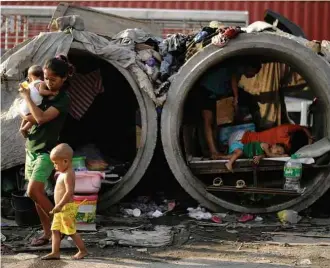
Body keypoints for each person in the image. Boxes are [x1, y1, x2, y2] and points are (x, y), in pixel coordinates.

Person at [19, 55, 71, 247]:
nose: (48, 82)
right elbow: (29, 114)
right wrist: (25, 118)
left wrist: (25, 98)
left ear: (64, 78)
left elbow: (40, 118)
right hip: (31, 148)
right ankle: (47, 233)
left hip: (46, 151)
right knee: (36, 195)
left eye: (53, 79)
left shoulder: (63, 99)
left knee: (34, 191)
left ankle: (61, 228)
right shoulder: (40, 92)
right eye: (47, 77)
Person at [200, 60, 262, 159]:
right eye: (254, 72)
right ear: (249, 67)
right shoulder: (238, 68)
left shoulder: (236, 70)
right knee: (208, 121)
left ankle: (216, 150)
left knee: (215, 123)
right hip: (207, 91)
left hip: (215, 93)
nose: (254, 75)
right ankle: (213, 151)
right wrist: (236, 98)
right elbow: (233, 81)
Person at [42, 143, 87, 260]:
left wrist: (59, 205)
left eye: (56, 163)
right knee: (55, 230)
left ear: (66, 161)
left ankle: (83, 251)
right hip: (60, 208)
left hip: (65, 208)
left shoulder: (68, 174)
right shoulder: (62, 173)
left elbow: (69, 192)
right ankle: (55, 252)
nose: (54, 166)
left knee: (70, 231)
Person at [19, 65, 57, 137]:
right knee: (35, 115)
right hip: (32, 105)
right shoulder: (41, 82)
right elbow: (41, 92)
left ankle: (21, 127)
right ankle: (25, 128)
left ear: (30, 77)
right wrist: (51, 93)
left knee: (26, 115)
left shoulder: (29, 85)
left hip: (24, 106)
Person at [222, 130, 287, 172]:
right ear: (274, 145)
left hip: (243, 152)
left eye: (279, 154)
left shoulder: (264, 154)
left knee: (231, 156)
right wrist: (283, 156)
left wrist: (258, 157)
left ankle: (217, 157)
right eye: (278, 150)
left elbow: (262, 156)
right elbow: (270, 155)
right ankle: (229, 163)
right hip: (239, 145)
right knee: (239, 153)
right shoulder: (265, 145)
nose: (277, 153)